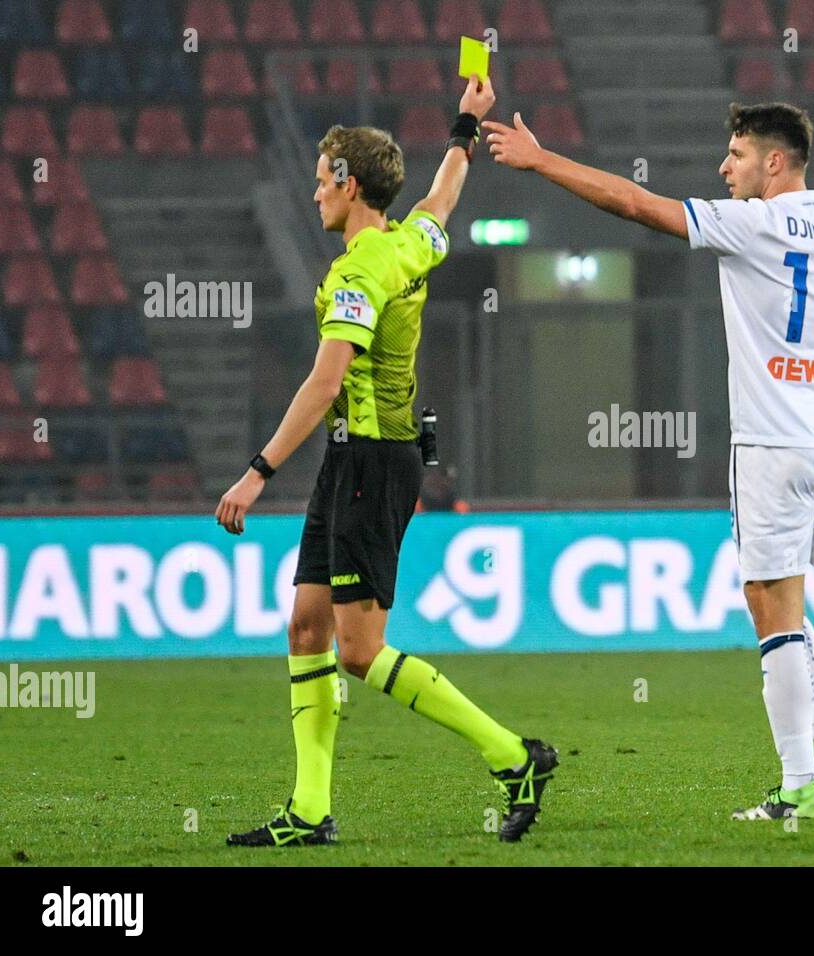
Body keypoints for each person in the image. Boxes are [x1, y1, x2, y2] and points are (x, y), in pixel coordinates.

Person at [483, 101, 814, 820]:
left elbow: (636, 204)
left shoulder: (752, 224)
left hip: (773, 446)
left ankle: (797, 789)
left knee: (771, 612)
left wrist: (540, 159)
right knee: (784, 600)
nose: (721, 167)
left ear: (773, 162)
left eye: (734, 154)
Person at [214, 76, 557, 846]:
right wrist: (464, 128)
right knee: (306, 628)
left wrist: (256, 472)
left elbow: (324, 381)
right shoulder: (410, 242)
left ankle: (514, 757)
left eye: (321, 180)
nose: (313, 195)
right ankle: (308, 811)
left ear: (349, 183)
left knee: (360, 651)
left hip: (371, 459)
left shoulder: (359, 272)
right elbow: (442, 200)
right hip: (355, 460)